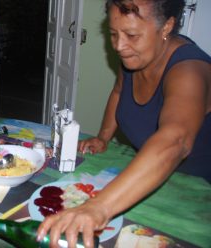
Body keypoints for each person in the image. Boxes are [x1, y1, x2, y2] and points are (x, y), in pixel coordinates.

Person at [37, 0, 211, 247]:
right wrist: (103, 136)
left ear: (166, 27)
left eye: (131, 35)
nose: (119, 46)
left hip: (199, 197)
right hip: (153, 180)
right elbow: (119, 91)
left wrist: (98, 207)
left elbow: (177, 140)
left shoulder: (190, 71)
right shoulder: (134, 58)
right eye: (113, 34)